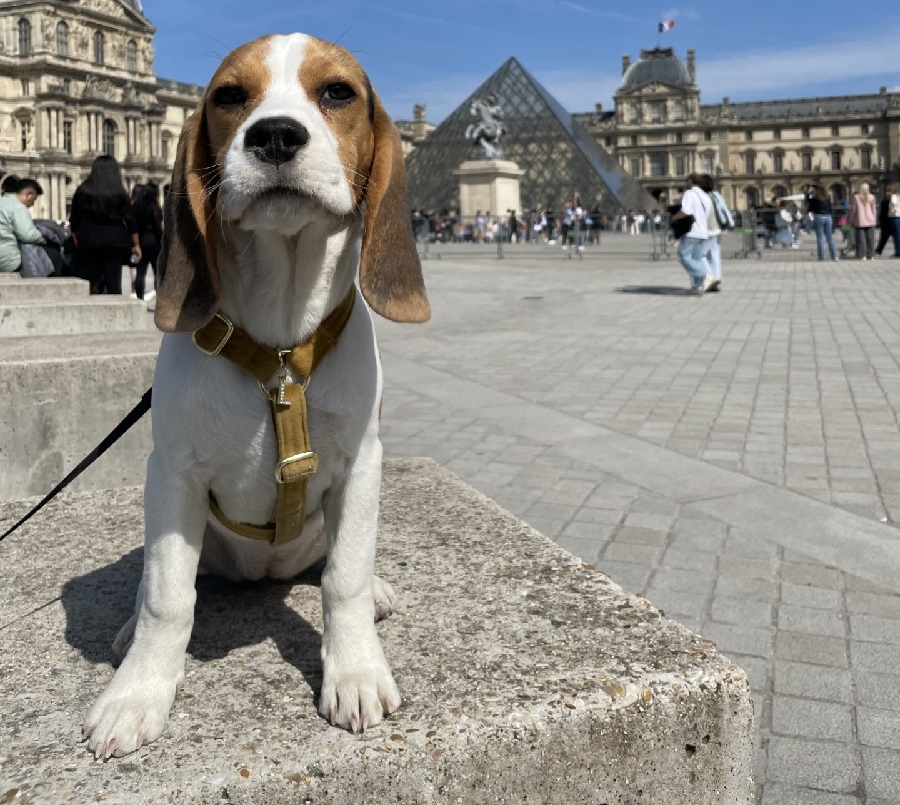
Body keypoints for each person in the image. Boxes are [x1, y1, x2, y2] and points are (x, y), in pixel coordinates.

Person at [69, 155, 140, 293]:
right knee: (114, 282)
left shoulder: (83, 190)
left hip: (89, 239)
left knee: (87, 281)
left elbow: (75, 218)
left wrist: (77, 236)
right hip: (115, 240)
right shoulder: (120, 192)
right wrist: (136, 244)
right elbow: (130, 220)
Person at [671, 173, 714, 294]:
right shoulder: (705, 196)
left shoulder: (690, 193)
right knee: (696, 258)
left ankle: (704, 275)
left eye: (686, 181)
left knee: (683, 256)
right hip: (703, 232)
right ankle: (696, 286)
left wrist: (674, 217)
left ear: (691, 181)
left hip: (692, 231)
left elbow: (686, 211)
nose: (686, 183)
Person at [0, 178, 46, 273]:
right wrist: (44, 238)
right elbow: (28, 235)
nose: (32, 205)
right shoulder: (17, 207)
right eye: (34, 200)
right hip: (8, 261)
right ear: (29, 195)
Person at [698, 173, 732, 293]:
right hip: (717, 229)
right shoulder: (716, 195)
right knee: (714, 256)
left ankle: (710, 278)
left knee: (699, 255)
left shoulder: (701, 197)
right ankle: (716, 280)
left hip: (705, 230)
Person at [131, 183, 163, 299]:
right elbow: (158, 227)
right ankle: (159, 298)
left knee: (140, 272)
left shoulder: (136, 207)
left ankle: (140, 298)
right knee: (157, 273)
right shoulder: (154, 207)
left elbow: (133, 225)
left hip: (140, 241)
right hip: (154, 241)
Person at [806, 184, 838, 261]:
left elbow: (808, 204)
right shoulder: (828, 198)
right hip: (828, 217)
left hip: (819, 217)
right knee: (830, 238)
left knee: (820, 238)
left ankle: (822, 256)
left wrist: (808, 193)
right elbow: (830, 209)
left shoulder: (814, 199)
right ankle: (834, 256)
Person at [848, 182, 876, 260]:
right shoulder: (872, 197)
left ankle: (862, 255)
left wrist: (851, 219)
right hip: (870, 220)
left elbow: (853, 210)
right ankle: (871, 255)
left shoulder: (856, 197)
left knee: (861, 239)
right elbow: (873, 210)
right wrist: (874, 219)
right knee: (870, 239)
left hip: (859, 220)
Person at [875, 184, 897, 258]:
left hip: (891, 220)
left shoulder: (893, 199)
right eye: (887, 191)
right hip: (885, 221)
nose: (887, 192)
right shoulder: (885, 199)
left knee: (895, 238)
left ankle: (879, 251)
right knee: (883, 238)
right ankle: (878, 251)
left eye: (889, 191)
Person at [888, 185, 900, 259]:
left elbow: (893, 207)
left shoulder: (894, 197)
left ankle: (898, 252)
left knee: (896, 236)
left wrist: (892, 210)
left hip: (895, 217)